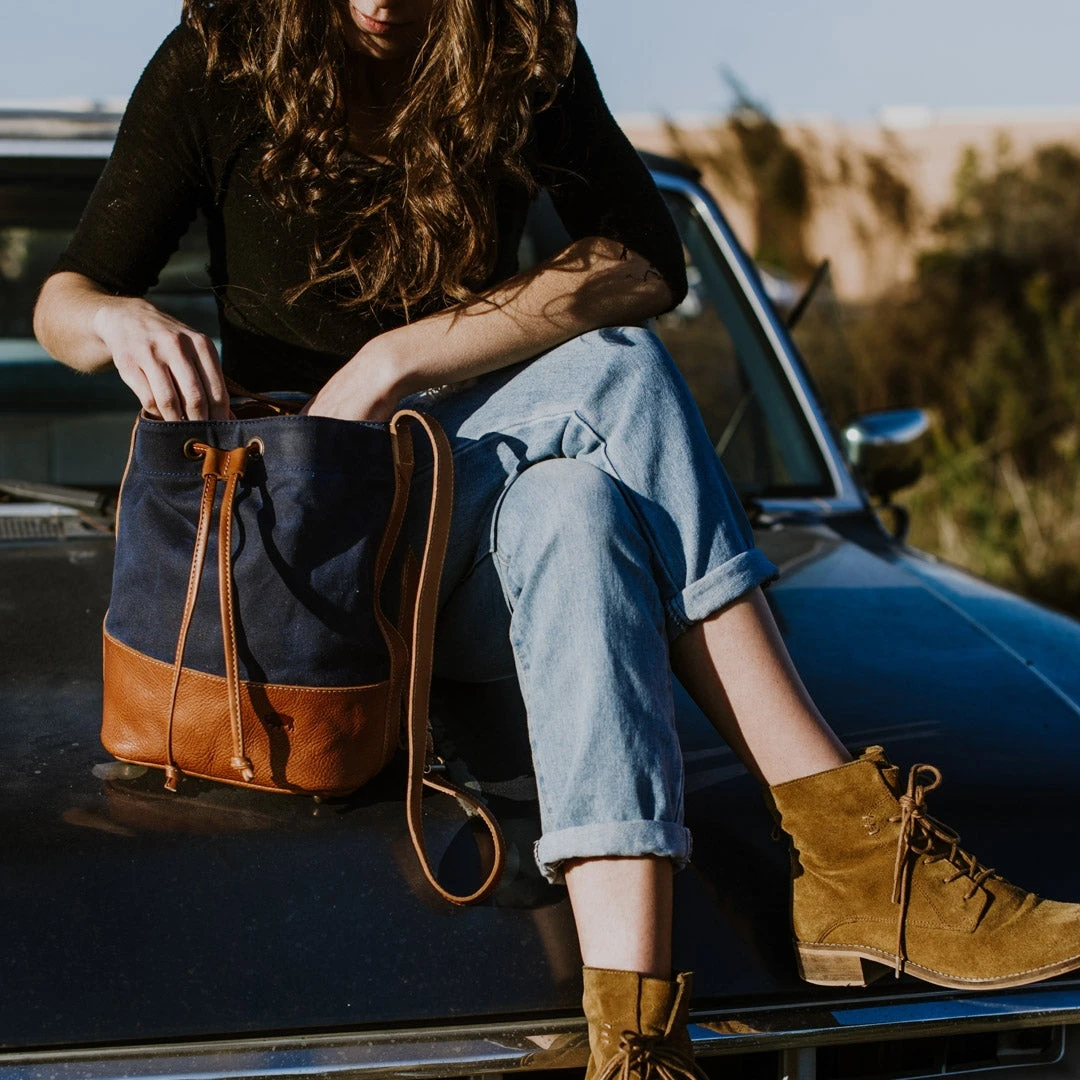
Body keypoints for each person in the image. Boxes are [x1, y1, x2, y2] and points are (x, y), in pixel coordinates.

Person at [33, 1, 1080, 1076]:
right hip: (298, 581)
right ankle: (856, 849)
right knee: (616, 371)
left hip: (455, 546)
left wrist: (400, 357)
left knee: (577, 506)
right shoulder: (226, 54)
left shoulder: (511, 48)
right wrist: (114, 320)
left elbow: (645, 260)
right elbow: (63, 296)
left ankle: (635, 1047)